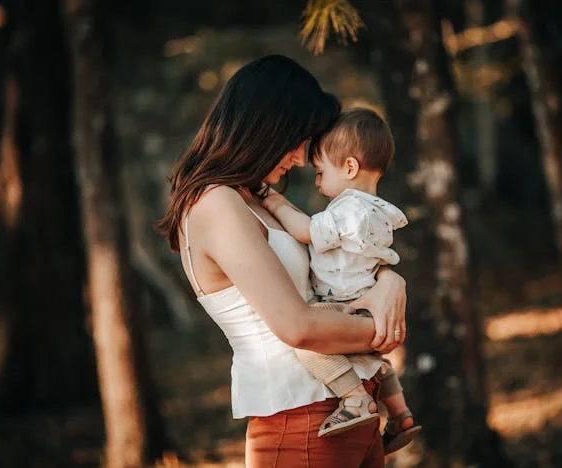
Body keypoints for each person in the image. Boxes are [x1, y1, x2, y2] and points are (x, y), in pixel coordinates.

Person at [156, 55, 407, 468]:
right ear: (268, 128)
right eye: (299, 140)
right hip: (300, 418)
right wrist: (384, 332)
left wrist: (390, 283)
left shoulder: (252, 196)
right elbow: (297, 326)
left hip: (347, 411)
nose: (299, 157)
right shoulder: (215, 204)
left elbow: (331, 269)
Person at [261, 108, 421, 454]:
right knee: (379, 364)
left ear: (349, 168)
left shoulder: (348, 211)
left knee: (305, 345)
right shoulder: (379, 211)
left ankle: (355, 399)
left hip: (350, 305)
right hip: (369, 308)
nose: (317, 183)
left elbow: (304, 231)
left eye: (320, 173)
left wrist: (274, 201)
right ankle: (401, 413)